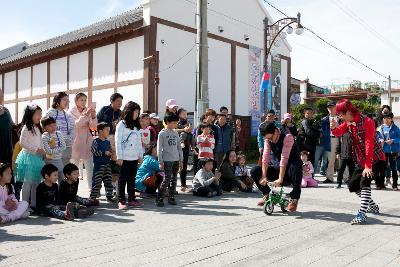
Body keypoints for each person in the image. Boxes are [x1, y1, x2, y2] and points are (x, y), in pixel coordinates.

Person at [331, 100, 386, 225]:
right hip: (363, 160)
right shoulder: (348, 122)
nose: (340, 116)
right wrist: (333, 128)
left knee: (365, 181)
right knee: (353, 185)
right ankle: (373, 205)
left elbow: (369, 144)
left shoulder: (367, 122)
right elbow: (338, 132)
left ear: (348, 112)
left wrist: (368, 166)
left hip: (377, 159)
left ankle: (362, 214)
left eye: (341, 114)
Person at [250, 122, 302, 211]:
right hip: (280, 167)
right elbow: (265, 158)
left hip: (291, 169)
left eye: (270, 138)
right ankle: (267, 194)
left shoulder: (287, 136)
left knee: (296, 165)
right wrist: (264, 176)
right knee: (254, 170)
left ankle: (294, 198)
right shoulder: (268, 139)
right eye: (267, 139)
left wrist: (280, 178)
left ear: (275, 131)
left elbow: (284, 158)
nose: (270, 140)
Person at [15, 103, 45, 209]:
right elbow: (22, 143)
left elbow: (40, 141)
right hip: (28, 158)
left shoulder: (37, 127)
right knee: (27, 182)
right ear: (30, 114)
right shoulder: (26, 127)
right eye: (37, 114)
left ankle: (34, 204)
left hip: (37, 158)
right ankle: (24, 204)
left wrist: (43, 152)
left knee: (36, 182)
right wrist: (37, 149)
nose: (40, 116)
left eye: (40, 114)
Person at [115, 101, 144, 210]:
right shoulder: (121, 124)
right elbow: (117, 141)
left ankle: (132, 199)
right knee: (122, 179)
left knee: (132, 179)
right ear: (129, 111)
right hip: (124, 158)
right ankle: (121, 200)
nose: (136, 114)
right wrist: (119, 156)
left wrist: (140, 155)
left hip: (134, 157)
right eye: (135, 112)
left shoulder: (136, 126)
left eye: (138, 112)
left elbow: (139, 142)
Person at [97, 93, 123, 196]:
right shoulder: (104, 110)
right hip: (104, 138)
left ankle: (113, 188)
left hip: (115, 140)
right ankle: (97, 189)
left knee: (114, 164)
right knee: (101, 164)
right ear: (112, 101)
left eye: (121, 102)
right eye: (118, 101)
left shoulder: (121, 113)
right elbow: (97, 123)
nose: (120, 104)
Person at [69, 92, 97, 190]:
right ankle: (72, 189)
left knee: (90, 167)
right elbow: (76, 124)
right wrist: (86, 114)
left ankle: (91, 188)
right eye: (81, 100)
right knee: (74, 168)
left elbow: (93, 127)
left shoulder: (87, 111)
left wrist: (93, 116)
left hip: (87, 141)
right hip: (76, 142)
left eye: (85, 100)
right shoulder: (71, 112)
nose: (84, 102)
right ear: (76, 101)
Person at [156, 113, 183, 207]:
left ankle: (171, 197)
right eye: (174, 122)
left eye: (176, 123)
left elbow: (179, 147)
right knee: (167, 179)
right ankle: (160, 197)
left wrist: (181, 160)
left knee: (174, 179)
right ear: (167, 122)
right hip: (167, 160)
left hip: (176, 159)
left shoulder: (176, 133)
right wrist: (160, 161)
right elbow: (159, 148)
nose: (176, 125)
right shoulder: (162, 133)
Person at [46, 92, 75, 166]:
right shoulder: (50, 113)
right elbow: (46, 127)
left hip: (66, 147)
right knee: (54, 170)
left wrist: (68, 139)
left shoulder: (68, 115)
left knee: (65, 170)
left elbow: (73, 130)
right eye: (64, 100)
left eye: (68, 101)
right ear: (57, 100)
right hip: (53, 147)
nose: (67, 102)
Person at [90, 122, 114, 202]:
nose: (108, 132)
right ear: (100, 131)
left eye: (109, 130)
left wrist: (112, 153)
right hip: (99, 165)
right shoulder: (96, 141)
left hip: (107, 164)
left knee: (108, 181)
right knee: (96, 182)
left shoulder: (107, 142)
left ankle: (109, 196)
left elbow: (110, 150)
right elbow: (93, 151)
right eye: (106, 130)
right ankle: (92, 198)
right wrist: (104, 153)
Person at [377, 112, 399, 190]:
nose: (386, 120)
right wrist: (380, 140)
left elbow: (399, 139)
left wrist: (393, 140)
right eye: (384, 118)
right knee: (382, 168)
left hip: (393, 151)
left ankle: (395, 185)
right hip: (383, 151)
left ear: (391, 119)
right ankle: (381, 184)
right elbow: (377, 137)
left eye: (388, 118)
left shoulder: (396, 128)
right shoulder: (380, 128)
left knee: (394, 168)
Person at [41, 116, 66, 184]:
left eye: (54, 125)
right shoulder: (44, 136)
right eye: (50, 126)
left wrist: (54, 150)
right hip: (50, 161)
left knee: (62, 178)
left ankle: (61, 193)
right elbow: (48, 151)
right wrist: (58, 149)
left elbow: (64, 146)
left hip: (59, 159)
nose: (53, 127)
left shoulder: (59, 134)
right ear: (44, 127)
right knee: (51, 179)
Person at [320, 101, 339, 184]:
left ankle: (346, 178)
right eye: (329, 108)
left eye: (332, 107)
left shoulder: (341, 118)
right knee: (330, 160)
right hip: (330, 140)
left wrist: (337, 126)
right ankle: (329, 177)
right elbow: (322, 131)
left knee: (342, 158)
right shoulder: (324, 119)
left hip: (340, 139)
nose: (331, 109)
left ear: (336, 108)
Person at [179, 120, 194, 192]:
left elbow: (192, 142)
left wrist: (193, 148)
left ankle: (183, 184)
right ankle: (181, 184)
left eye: (190, 126)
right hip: (180, 151)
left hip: (186, 151)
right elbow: (181, 139)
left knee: (184, 168)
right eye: (187, 126)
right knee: (179, 168)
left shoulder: (191, 134)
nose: (189, 127)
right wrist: (182, 143)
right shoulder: (182, 133)